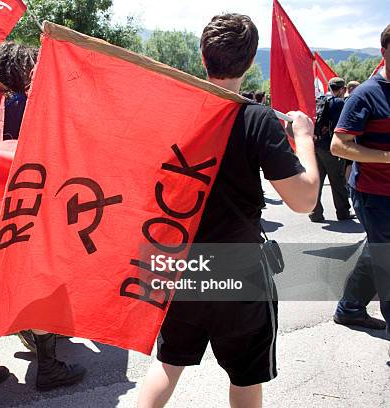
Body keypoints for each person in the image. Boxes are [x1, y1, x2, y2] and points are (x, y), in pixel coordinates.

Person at [137, 14, 319, 408]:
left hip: (183, 264)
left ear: (203, 56)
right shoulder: (257, 118)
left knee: (167, 365)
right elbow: (304, 201)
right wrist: (304, 138)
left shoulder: (173, 113)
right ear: (251, 62)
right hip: (239, 269)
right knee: (246, 377)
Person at [0, 42, 85, 399]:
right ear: (25, 70)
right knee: (39, 289)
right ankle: (48, 367)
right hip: (27, 212)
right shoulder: (33, 107)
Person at [332, 25, 390, 343]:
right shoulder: (367, 93)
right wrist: (386, 157)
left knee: (378, 250)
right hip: (374, 194)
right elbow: (339, 145)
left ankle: (351, 308)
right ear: (383, 51)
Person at [309, 77, 355, 223]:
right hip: (332, 147)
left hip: (317, 145)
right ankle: (342, 212)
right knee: (338, 181)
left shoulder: (321, 101)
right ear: (342, 89)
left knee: (318, 180)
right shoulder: (341, 103)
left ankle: (315, 212)